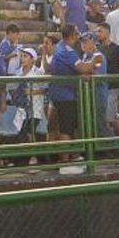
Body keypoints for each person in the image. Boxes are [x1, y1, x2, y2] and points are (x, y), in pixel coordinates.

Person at [46, 24, 96, 153]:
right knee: (66, 129)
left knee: (61, 127)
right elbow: (84, 68)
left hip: (59, 93)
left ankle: (67, 158)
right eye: (77, 34)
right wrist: (95, 60)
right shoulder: (66, 50)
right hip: (65, 95)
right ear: (73, 35)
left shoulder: (59, 47)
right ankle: (66, 163)